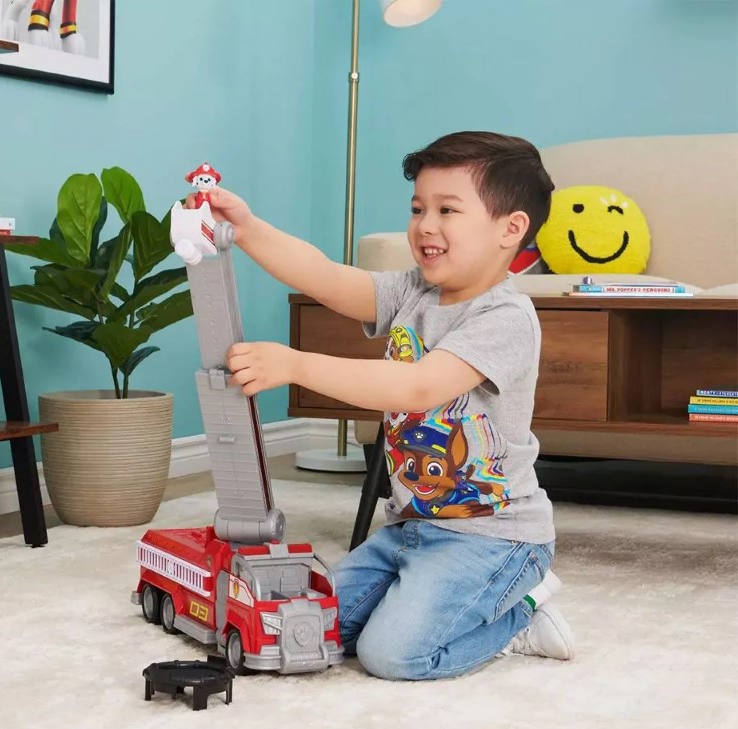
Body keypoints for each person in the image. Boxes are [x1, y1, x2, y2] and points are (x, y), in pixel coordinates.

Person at [197, 131, 575, 681]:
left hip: (495, 538)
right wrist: (248, 228)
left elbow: (418, 387)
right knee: (309, 626)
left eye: (447, 210)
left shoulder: (505, 318)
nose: (425, 226)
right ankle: (429, 597)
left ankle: (520, 614)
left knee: (392, 655)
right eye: (418, 209)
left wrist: (297, 365)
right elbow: (326, 277)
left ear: (510, 229)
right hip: (408, 529)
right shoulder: (413, 291)